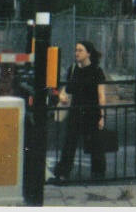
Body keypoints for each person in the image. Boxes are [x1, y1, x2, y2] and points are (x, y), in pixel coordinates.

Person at [53, 41, 107, 182]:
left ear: (88, 53)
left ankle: (98, 173)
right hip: (76, 111)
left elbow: (101, 95)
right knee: (69, 143)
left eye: (80, 50)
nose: (77, 53)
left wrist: (102, 116)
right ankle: (63, 173)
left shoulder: (96, 71)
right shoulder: (73, 69)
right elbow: (66, 88)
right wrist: (61, 96)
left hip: (92, 111)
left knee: (95, 143)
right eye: (76, 50)